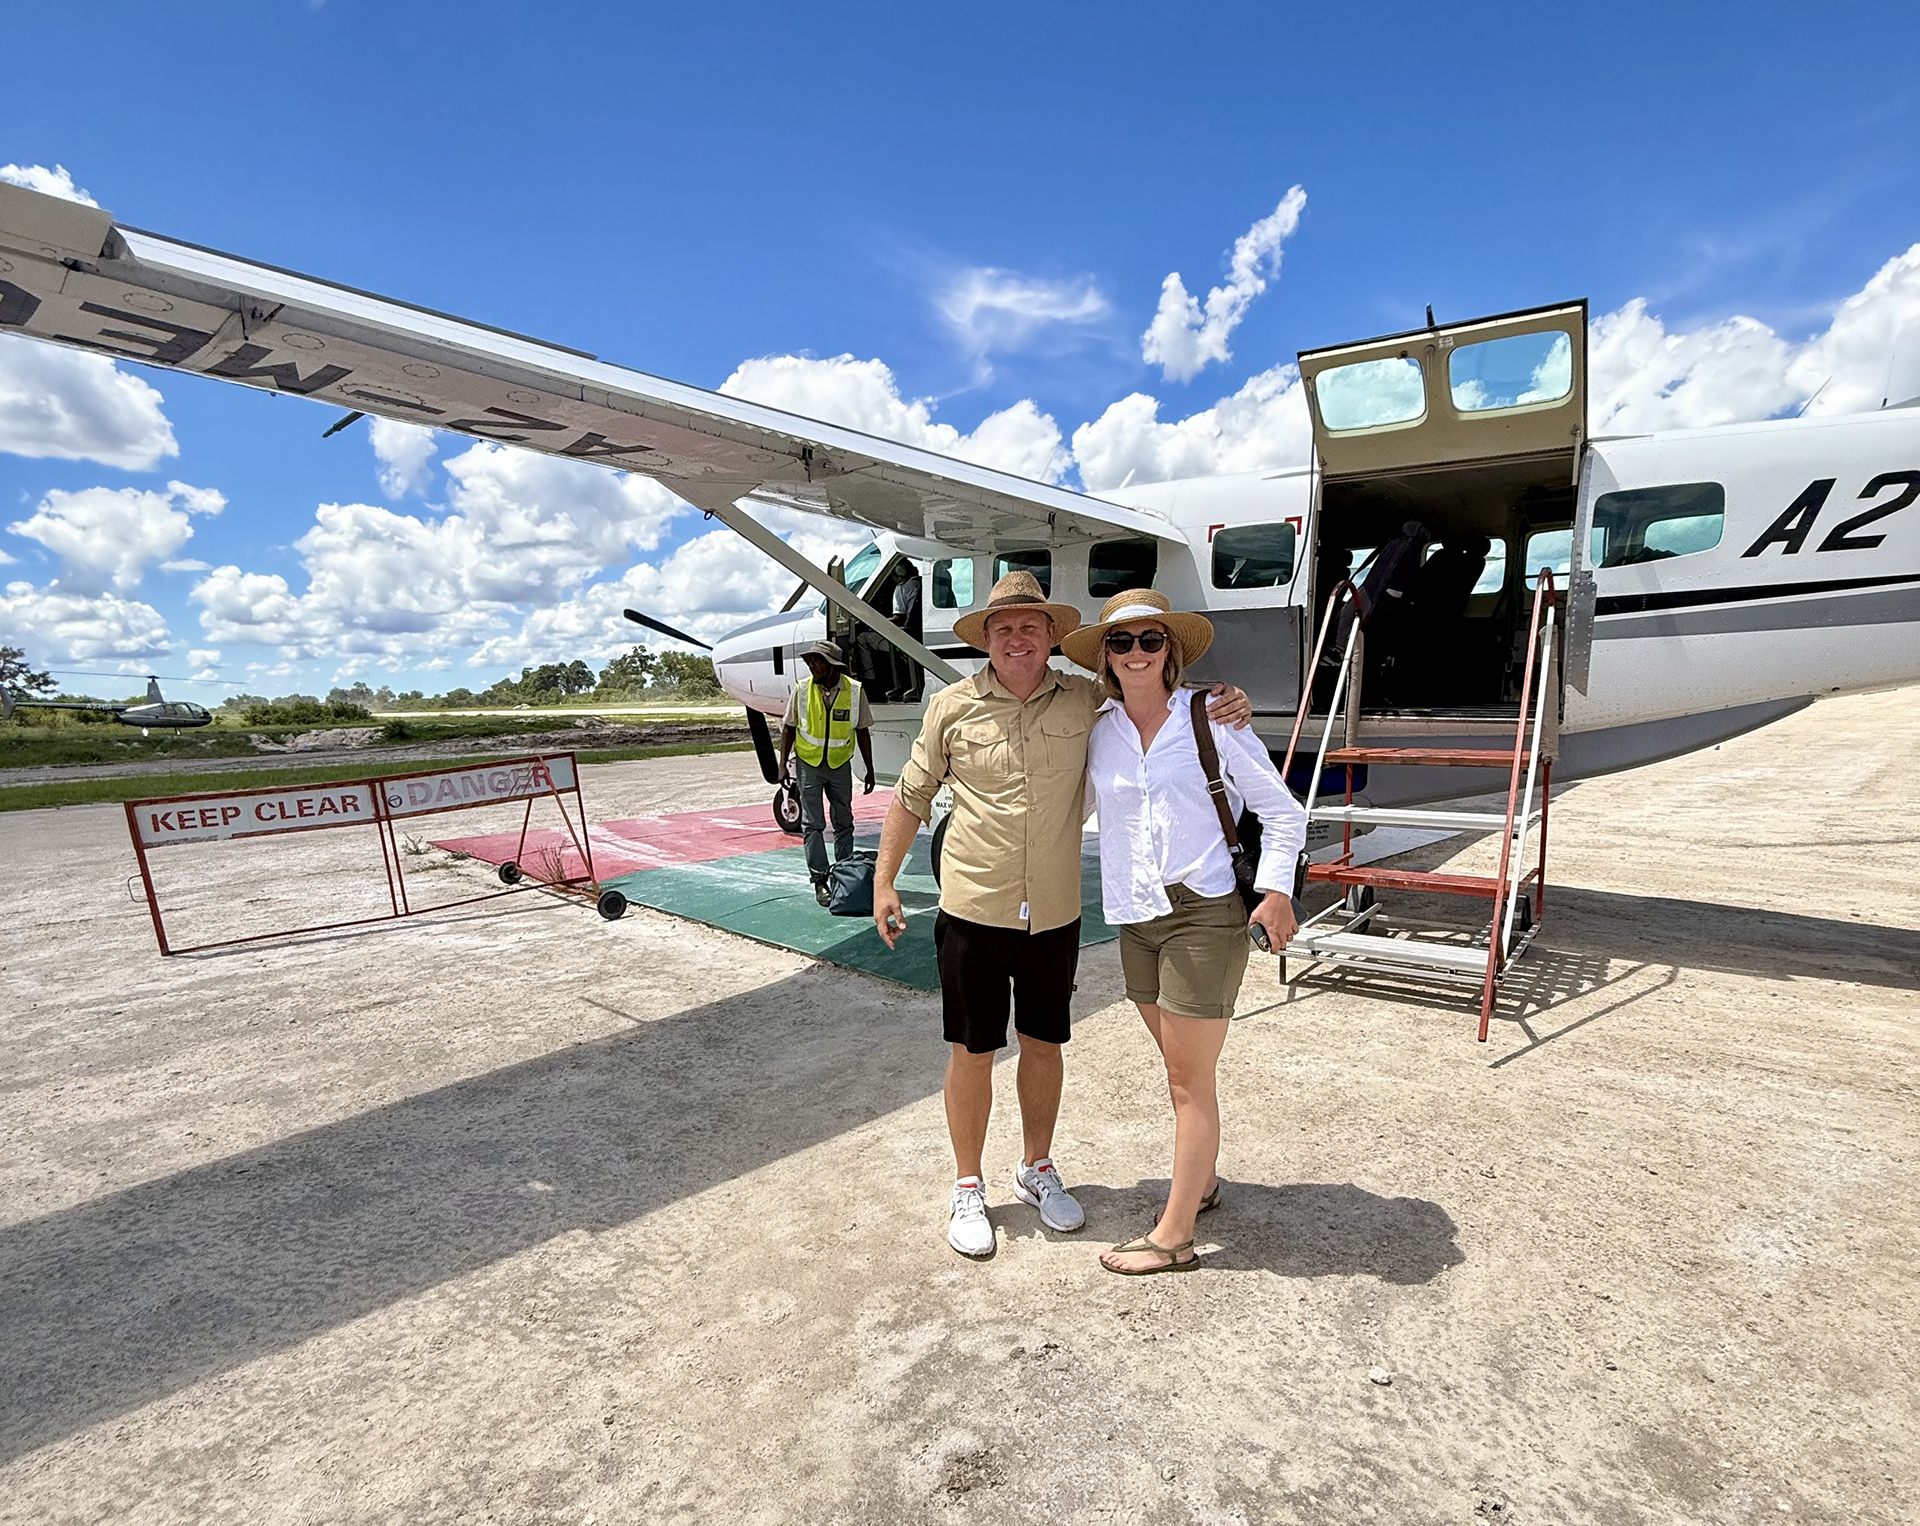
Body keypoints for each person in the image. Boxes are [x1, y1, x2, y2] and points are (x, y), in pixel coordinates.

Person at [870, 571, 1254, 1260]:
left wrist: (1227, 701)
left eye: (1030, 625)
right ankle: (967, 1184)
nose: (1017, 637)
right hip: (973, 907)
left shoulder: (1088, 701)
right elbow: (911, 795)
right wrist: (884, 880)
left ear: (1052, 637)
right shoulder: (951, 708)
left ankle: (1036, 1167)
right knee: (972, 1049)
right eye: (1003, 627)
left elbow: (1156, 695)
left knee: (1043, 1045)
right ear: (985, 639)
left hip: (1052, 912)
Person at [1061, 589, 1307, 1276]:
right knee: (1185, 1074)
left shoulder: (1213, 716)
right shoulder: (1098, 727)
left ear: (1170, 649)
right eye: (1121, 642)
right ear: (1105, 657)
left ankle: (1174, 1236)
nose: (1136, 653)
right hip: (1134, 916)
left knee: (1187, 1082)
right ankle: (1203, 1182)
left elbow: (1283, 814)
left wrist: (1279, 890)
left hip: (1203, 914)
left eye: (1149, 640)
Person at [776, 639, 876, 906]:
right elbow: (789, 728)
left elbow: (862, 730)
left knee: (844, 821)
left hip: (840, 765)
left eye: (817, 661)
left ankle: (842, 873)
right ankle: (819, 879)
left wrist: (869, 768)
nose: (812, 666)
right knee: (813, 825)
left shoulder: (855, 692)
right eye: (809, 661)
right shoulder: (802, 690)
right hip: (809, 765)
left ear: (832, 665)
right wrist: (782, 763)